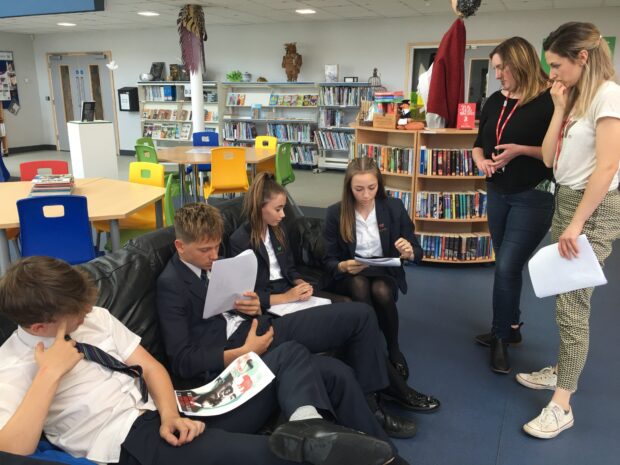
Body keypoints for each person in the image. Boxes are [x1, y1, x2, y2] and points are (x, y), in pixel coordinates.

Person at [0, 256, 396, 465]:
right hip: (130, 440)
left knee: (292, 356)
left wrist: (171, 413)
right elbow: (11, 449)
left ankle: (310, 426)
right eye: (78, 314)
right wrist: (48, 375)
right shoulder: (13, 366)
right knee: (282, 455)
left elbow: (151, 367)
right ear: (39, 326)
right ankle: (312, 441)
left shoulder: (95, 317)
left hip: (178, 407)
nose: (88, 315)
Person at [156, 202, 418, 439]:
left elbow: (233, 304)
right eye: (205, 250)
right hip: (237, 356)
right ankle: (378, 427)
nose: (214, 255)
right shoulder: (171, 285)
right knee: (337, 372)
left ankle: (376, 415)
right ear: (180, 246)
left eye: (216, 246)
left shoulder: (213, 262)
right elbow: (183, 359)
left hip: (262, 327)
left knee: (361, 316)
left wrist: (254, 306)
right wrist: (241, 352)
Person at [517, 22, 620, 439]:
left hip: (592, 209)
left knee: (573, 306)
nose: (552, 74)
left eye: (557, 65)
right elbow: (547, 158)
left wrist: (577, 225)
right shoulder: (576, 97)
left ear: (582, 57)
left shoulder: (609, 95)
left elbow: (609, 166)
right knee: (563, 294)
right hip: (568, 198)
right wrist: (558, 108)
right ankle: (561, 369)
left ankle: (563, 404)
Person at [322, 157, 440, 413]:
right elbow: (328, 261)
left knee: (382, 290)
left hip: (384, 271)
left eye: (372, 188)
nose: (366, 195)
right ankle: (376, 349)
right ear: (348, 188)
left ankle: (393, 348)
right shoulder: (335, 213)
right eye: (359, 189)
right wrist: (343, 266)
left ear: (380, 185)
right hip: (351, 275)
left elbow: (416, 251)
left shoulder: (393, 207)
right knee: (361, 286)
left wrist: (409, 252)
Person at [471, 37, 555, 374]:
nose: (497, 75)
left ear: (519, 63)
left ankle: (500, 337)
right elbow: (479, 144)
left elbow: (555, 154)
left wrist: (520, 149)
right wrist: (480, 161)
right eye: (495, 69)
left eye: (501, 68)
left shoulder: (550, 101)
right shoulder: (493, 100)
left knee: (506, 266)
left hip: (533, 195)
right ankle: (513, 326)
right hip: (497, 192)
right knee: (507, 264)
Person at [230, 171, 347, 311]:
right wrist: (286, 297)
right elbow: (245, 294)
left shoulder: (279, 230)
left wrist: (302, 284)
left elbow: (289, 269)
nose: (283, 215)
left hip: (288, 289)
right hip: (272, 299)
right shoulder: (240, 240)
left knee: (345, 302)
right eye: (277, 209)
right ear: (259, 207)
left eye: (283, 208)